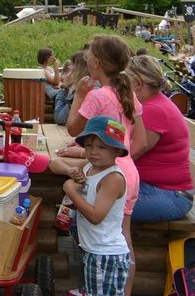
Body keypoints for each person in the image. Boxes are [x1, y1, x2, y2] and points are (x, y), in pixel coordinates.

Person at [52, 34, 145, 296]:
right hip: (127, 170)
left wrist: (80, 95)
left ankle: (98, 287)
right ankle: (120, 291)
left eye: (91, 54)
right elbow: (141, 138)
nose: (88, 57)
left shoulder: (97, 95)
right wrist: (120, 159)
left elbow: (72, 128)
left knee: (100, 233)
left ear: (98, 63)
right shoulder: (126, 92)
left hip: (109, 172)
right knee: (122, 237)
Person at [64, 116, 131, 296]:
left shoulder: (113, 179)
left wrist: (71, 191)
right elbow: (66, 168)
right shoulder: (89, 166)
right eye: (89, 145)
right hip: (92, 248)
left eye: (102, 147)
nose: (94, 152)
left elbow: (95, 216)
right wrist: (73, 174)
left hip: (106, 254)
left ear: (117, 151)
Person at [127, 55, 193, 222]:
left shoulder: (153, 110)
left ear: (138, 84)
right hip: (159, 189)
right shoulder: (154, 104)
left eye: (125, 82)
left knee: (95, 210)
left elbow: (130, 154)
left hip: (167, 194)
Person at [55, 50, 90, 126]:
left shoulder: (81, 88)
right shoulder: (85, 84)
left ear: (79, 67)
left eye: (72, 64)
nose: (70, 67)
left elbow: (60, 119)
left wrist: (63, 89)